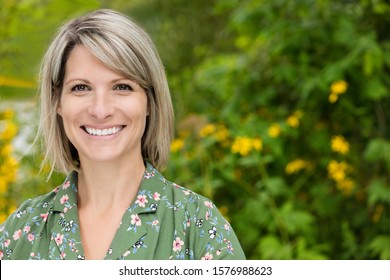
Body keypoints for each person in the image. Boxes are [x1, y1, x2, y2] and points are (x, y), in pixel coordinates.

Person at [0, 9, 245, 260]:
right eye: (81, 88)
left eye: (122, 87)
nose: (101, 110)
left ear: (149, 101)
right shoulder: (20, 232)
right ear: (58, 102)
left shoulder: (199, 226)